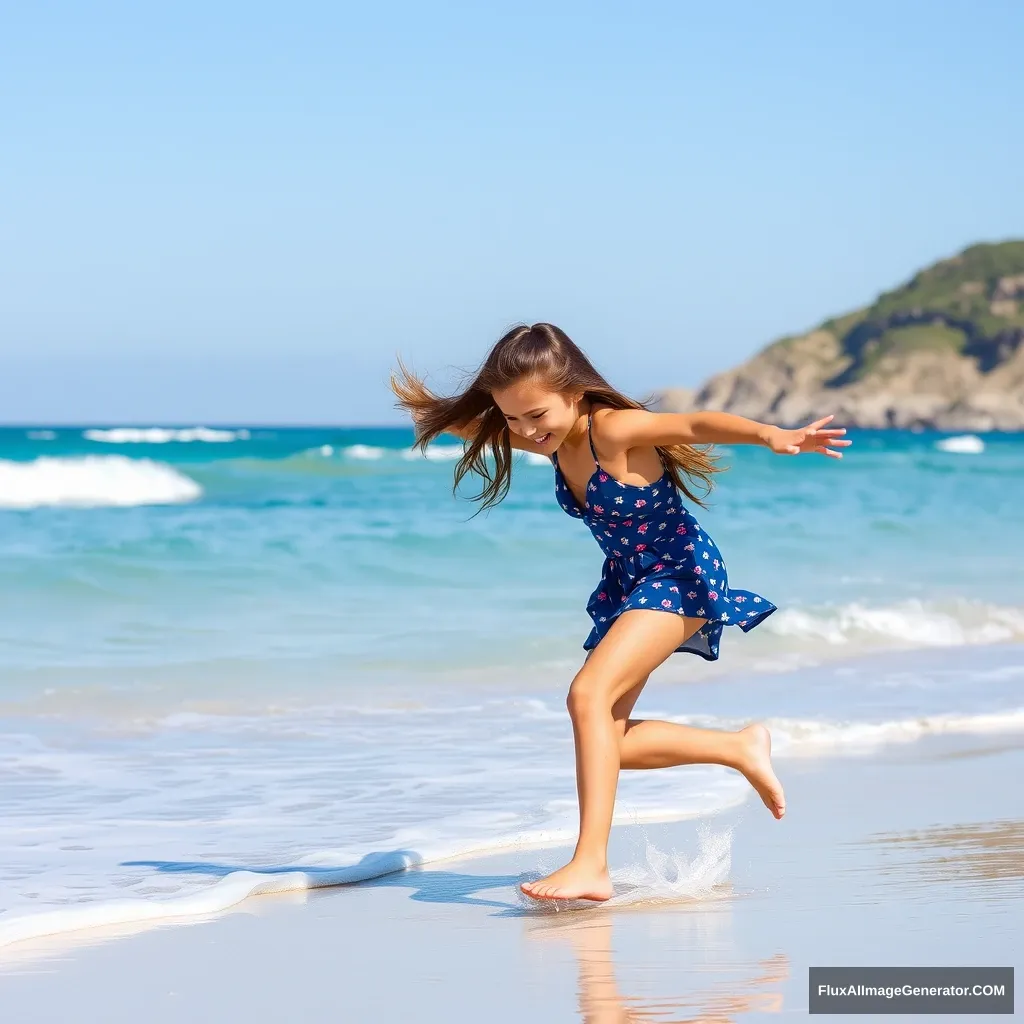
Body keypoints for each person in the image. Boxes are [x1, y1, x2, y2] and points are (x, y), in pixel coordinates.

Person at [391, 322, 849, 902]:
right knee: (609, 740)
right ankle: (737, 748)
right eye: (512, 419)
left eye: (538, 415)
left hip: (679, 574)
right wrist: (434, 413)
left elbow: (690, 424)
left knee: (586, 698)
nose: (527, 433)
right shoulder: (545, 435)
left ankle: (590, 866)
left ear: (574, 393)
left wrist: (770, 435)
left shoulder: (612, 428)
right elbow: (480, 424)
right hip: (631, 583)